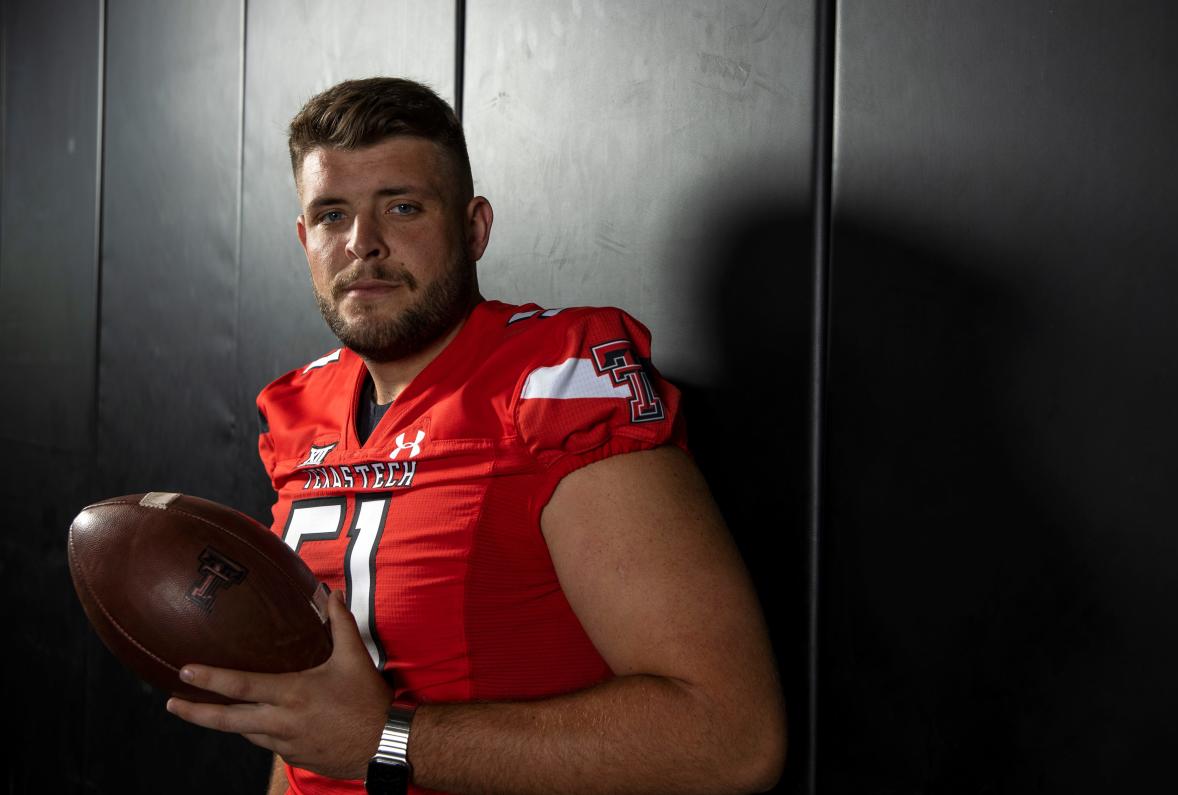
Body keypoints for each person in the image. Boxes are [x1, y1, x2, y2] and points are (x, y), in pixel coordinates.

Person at [165, 76, 785, 795]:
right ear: (307, 240)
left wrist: (383, 739)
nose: (363, 244)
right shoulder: (298, 408)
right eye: (332, 215)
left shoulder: (552, 381)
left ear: (474, 227)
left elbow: (730, 736)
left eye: (401, 206)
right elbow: (312, 725)